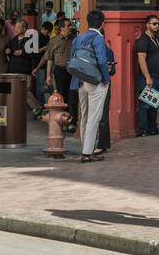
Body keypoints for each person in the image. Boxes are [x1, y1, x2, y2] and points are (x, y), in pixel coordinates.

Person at [69, 9, 111, 162]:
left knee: (85, 116)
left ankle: (85, 148)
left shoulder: (78, 39)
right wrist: (106, 79)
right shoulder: (98, 38)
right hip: (95, 81)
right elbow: (101, 61)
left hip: (80, 81)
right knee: (94, 117)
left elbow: (72, 59)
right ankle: (88, 153)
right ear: (102, 23)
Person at [39, 17, 74, 128]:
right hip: (59, 71)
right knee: (61, 96)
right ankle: (62, 121)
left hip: (73, 71)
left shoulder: (75, 40)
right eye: (68, 25)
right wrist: (48, 75)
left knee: (72, 96)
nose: (70, 28)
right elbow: (50, 59)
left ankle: (71, 121)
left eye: (70, 25)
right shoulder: (54, 41)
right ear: (62, 28)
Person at [133, 14, 159, 136]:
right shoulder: (143, 40)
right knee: (145, 105)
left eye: (158, 24)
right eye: (154, 24)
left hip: (158, 77)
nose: (157, 26)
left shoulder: (157, 39)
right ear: (147, 25)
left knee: (154, 105)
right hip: (148, 78)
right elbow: (141, 60)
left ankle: (153, 128)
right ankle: (144, 130)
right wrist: (147, 77)